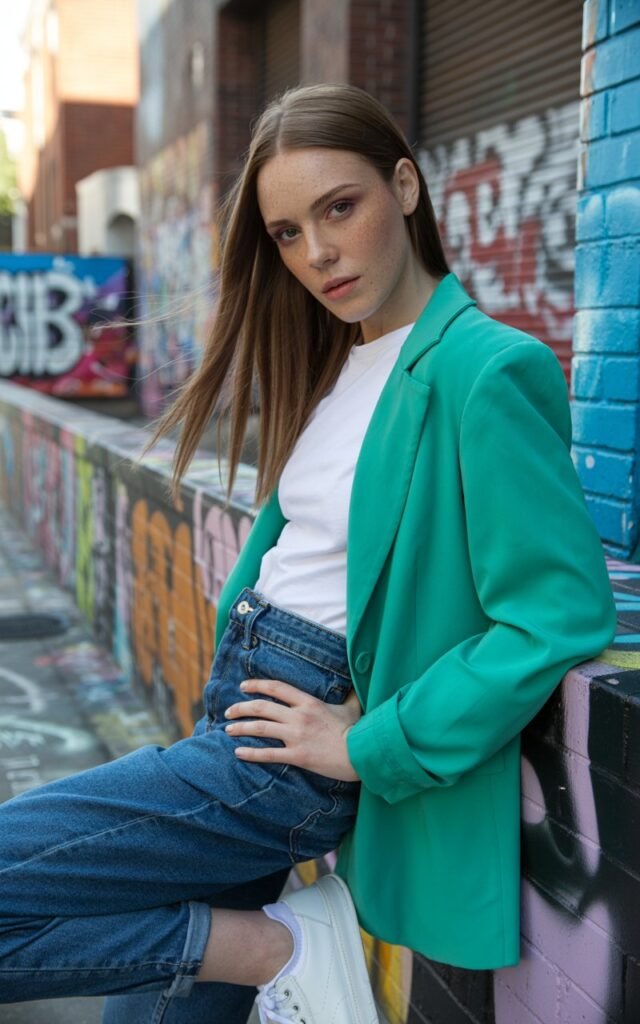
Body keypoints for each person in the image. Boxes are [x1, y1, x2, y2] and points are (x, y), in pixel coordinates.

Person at [0, 82, 616, 1024]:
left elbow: (557, 611)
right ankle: (259, 956)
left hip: (293, 758)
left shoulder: (486, 370)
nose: (318, 253)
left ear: (404, 187)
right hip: (238, 712)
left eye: (340, 207)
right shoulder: (336, 367)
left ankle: (279, 948)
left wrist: (371, 744)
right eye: (287, 233)